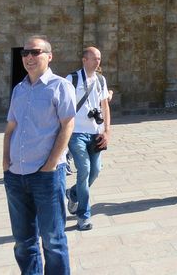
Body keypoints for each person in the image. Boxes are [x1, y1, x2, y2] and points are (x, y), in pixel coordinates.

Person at [2, 36, 76, 274]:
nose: (29, 58)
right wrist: (5, 162)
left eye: (35, 52)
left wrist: (51, 165)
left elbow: (68, 125)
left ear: (49, 56)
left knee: (53, 241)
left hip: (46, 175)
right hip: (15, 175)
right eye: (25, 53)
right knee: (23, 242)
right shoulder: (19, 89)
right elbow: (10, 127)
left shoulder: (60, 86)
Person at [64, 47, 110, 231]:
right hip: (76, 134)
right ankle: (84, 216)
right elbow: (63, 107)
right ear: (84, 60)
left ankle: (73, 193)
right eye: (94, 58)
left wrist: (107, 130)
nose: (97, 61)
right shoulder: (71, 79)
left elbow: (105, 105)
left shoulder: (100, 80)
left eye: (99, 58)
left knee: (95, 170)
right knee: (84, 169)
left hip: (95, 133)